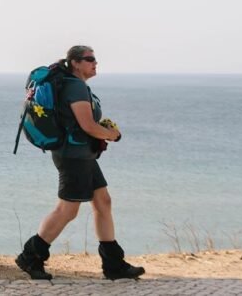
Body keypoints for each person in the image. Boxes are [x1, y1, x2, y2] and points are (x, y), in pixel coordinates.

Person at [15, 45, 145, 281]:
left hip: (82, 155)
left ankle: (113, 264)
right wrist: (111, 134)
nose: (95, 63)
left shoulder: (75, 85)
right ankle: (30, 256)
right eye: (89, 59)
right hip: (73, 156)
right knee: (67, 210)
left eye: (95, 59)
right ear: (75, 62)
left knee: (103, 202)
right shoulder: (74, 86)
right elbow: (87, 126)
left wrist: (101, 131)